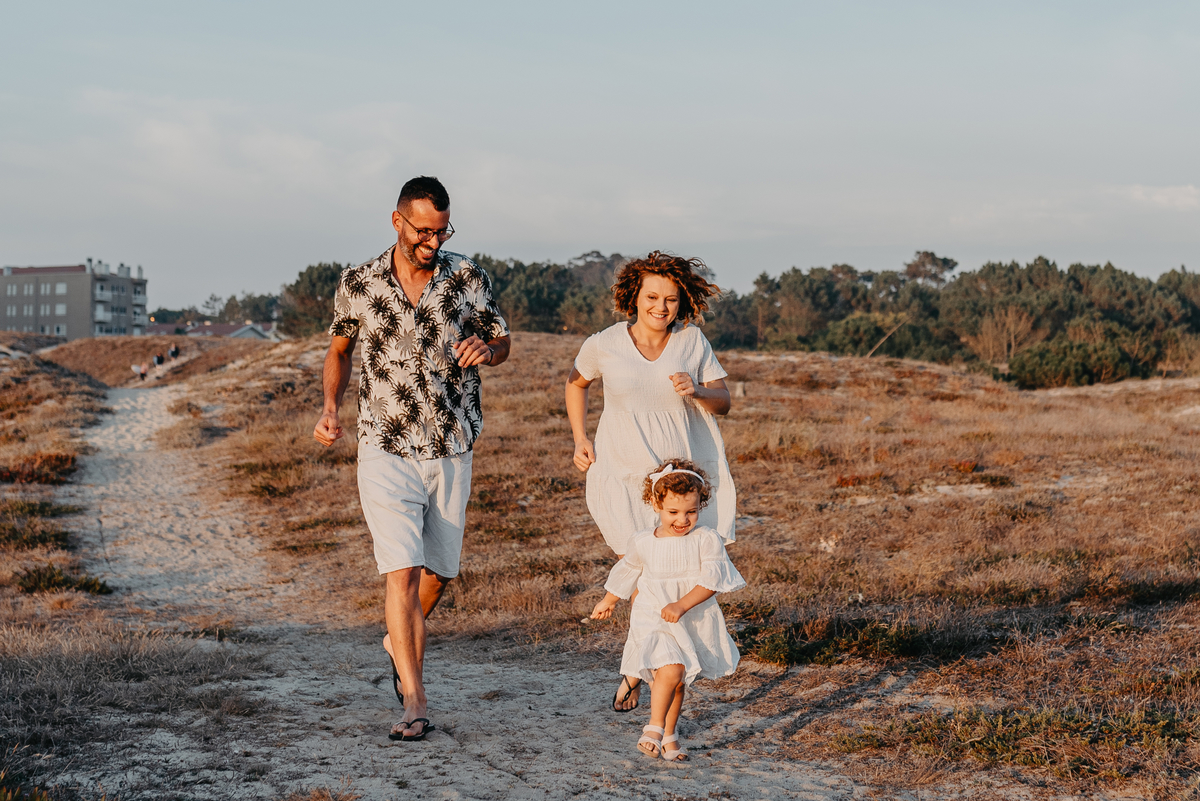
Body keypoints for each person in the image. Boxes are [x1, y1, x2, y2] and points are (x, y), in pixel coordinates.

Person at [312, 176, 510, 742]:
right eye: (424, 230)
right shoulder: (359, 281)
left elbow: (501, 341)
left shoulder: (467, 276)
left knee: (439, 574)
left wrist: (488, 351)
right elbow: (339, 350)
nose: (434, 240)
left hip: (451, 443)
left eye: (443, 230)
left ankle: (397, 638)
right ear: (396, 221)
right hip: (385, 447)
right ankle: (414, 700)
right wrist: (331, 407)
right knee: (399, 570)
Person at [565, 251, 734, 713]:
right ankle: (649, 670)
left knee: (670, 577)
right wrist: (580, 438)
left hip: (677, 484)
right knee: (644, 572)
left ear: (682, 303)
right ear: (633, 297)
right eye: (653, 297)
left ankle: (640, 671)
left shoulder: (691, 342)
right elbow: (576, 383)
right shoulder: (605, 343)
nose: (662, 307)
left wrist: (698, 390)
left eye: (671, 300)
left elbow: (725, 401)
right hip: (621, 474)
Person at [590, 460, 744, 761]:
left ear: (701, 505)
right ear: (656, 503)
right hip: (652, 616)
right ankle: (654, 728)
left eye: (691, 511)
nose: (683, 519)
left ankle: (670, 735)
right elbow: (628, 571)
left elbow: (712, 583)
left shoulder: (706, 539)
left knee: (676, 680)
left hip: (689, 616)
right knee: (671, 669)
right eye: (673, 512)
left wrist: (682, 604)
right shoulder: (643, 541)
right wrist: (609, 600)